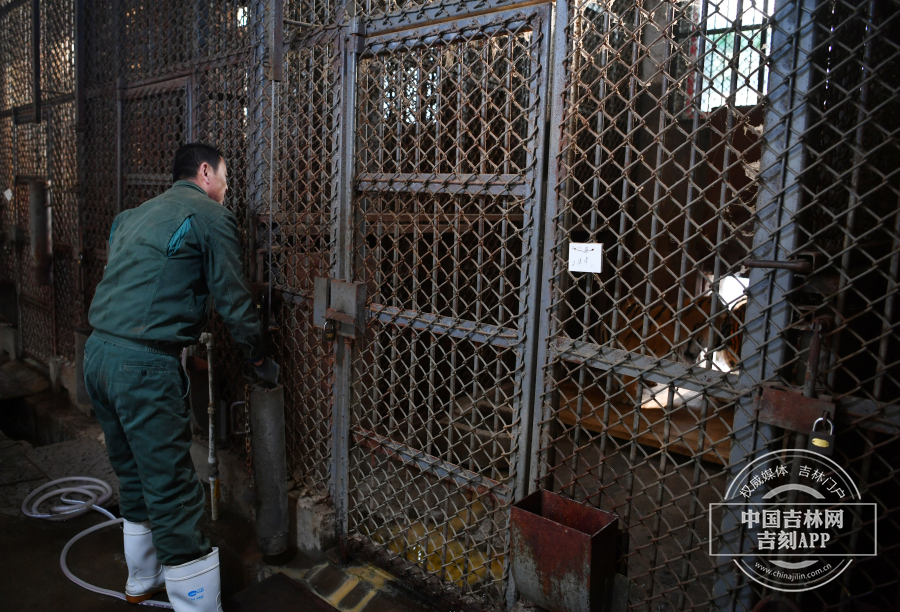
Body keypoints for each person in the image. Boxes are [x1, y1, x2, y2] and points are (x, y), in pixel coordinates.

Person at [83, 143, 279, 612]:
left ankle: (141, 581)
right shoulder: (209, 216)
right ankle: (196, 606)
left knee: (133, 474)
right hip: (141, 367)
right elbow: (233, 300)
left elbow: (142, 281)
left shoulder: (132, 215)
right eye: (226, 180)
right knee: (173, 488)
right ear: (205, 172)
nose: (227, 191)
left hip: (97, 355)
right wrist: (259, 357)